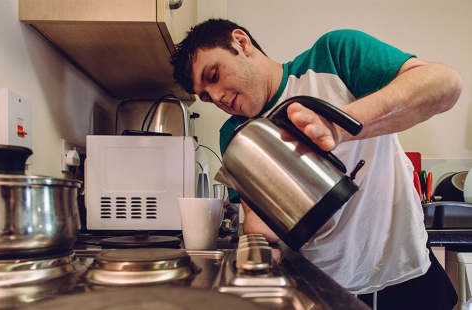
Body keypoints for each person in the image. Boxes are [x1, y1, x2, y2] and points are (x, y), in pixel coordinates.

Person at [170, 18, 463, 309]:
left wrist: (339, 125)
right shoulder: (234, 136)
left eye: (214, 74)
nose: (218, 97)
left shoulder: (332, 55)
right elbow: (260, 225)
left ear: (241, 43)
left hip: (406, 271)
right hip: (322, 287)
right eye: (207, 97)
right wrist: (260, 247)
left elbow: (445, 84)